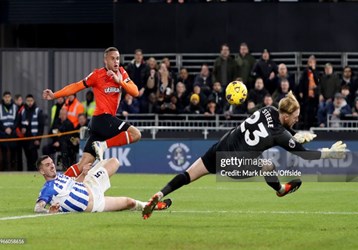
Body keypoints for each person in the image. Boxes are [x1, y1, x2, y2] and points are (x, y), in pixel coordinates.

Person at [142, 91, 347, 219]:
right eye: (295, 117)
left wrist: (295, 134)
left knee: (188, 175)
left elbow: (279, 128)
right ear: (285, 115)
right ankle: (280, 190)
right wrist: (327, 153)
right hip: (234, 164)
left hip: (220, 147)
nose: (297, 119)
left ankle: (160, 194)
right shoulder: (280, 134)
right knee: (268, 166)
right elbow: (305, 155)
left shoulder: (268, 109)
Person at [43, 47, 141, 178]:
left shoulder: (122, 73)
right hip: (102, 119)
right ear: (105, 60)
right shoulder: (97, 75)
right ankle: (102, 145)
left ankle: (59, 185)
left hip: (102, 124)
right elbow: (76, 86)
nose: (116, 61)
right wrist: (55, 95)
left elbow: (135, 92)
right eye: (112, 58)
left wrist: (120, 82)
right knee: (136, 134)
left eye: (117, 58)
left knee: (83, 164)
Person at [34, 155, 172, 213]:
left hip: (92, 185)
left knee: (114, 162)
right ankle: (151, 206)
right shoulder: (48, 188)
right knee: (129, 203)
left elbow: (74, 185)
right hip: (96, 205)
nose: (52, 166)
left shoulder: (61, 177)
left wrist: (83, 174)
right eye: (47, 165)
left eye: (52, 163)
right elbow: (37, 208)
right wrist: (48, 211)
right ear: (41, 171)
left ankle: (101, 153)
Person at [20, 94, 45, 171]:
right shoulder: (23, 111)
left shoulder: (38, 111)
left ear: (34, 101)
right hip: (25, 138)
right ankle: (29, 172)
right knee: (28, 157)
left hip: (34, 138)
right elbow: (20, 123)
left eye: (31, 101)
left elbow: (41, 126)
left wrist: (38, 139)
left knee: (34, 157)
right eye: (28, 101)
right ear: (26, 101)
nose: (30, 102)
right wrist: (22, 128)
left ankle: (35, 172)